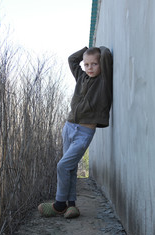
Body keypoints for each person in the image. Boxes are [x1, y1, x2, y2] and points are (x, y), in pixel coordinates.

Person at [38, 46, 113, 219]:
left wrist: (97, 50)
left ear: (100, 64)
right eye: (86, 64)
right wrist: (86, 51)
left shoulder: (103, 81)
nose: (90, 68)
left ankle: (58, 205)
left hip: (85, 132)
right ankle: (71, 206)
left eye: (94, 64)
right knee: (69, 168)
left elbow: (107, 55)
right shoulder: (81, 76)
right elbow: (72, 60)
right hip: (69, 127)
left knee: (63, 165)